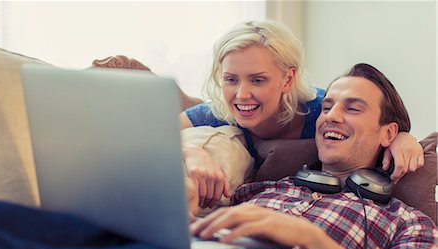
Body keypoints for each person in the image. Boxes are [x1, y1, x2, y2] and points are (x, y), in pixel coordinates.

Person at [0, 63, 436, 249]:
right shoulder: (265, 186)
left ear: (388, 134)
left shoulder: (407, 222)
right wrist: (176, 197)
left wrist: (311, 239)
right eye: (329, 105)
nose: (331, 115)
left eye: (353, 108)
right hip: (180, 248)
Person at [179, 20, 424, 208]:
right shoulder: (219, 110)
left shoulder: (322, 110)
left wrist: (402, 136)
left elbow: (369, 125)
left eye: (258, 80)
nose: (242, 94)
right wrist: (190, 151)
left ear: (288, 79)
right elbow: (150, 133)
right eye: (231, 79)